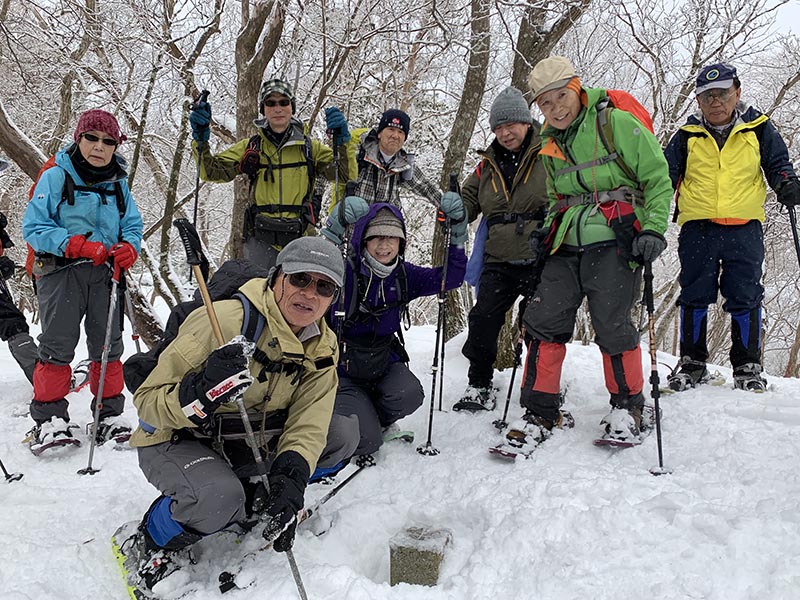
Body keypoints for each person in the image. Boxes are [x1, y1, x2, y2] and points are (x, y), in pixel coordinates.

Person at [113, 236, 343, 596]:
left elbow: (309, 421)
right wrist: (199, 393)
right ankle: (148, 538)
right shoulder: (223, 321)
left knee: (341, 435)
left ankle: (252, 494)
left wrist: (292, 476)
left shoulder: (324, 345)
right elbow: (148, 402)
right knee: (218, 498)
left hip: (244, 439)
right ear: (277, 278)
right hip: (179, 437)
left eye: (324, 286)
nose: (310, 293)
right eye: (300, 278)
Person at [517, 56, 672, 446]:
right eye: (545, 104)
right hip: (565, 241)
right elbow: (555, 196)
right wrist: (547, 227)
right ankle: (540, 410)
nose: (556, 109)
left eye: (561, 97)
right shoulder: (548, 143)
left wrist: (653, 227)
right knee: (543, 321)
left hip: (615, 236)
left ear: (577, 87)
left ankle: (628, 406)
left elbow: (657, 178)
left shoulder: (615, 123)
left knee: (611, 322)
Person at [665, 63, 800, 393]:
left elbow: (778, 164)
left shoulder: (759, 129)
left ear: (737, 93)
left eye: (722, 93)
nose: (715, 102)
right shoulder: (686, 136)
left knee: (745, 294)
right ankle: (692, 362)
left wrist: (787, 183)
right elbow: (663, 177)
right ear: (698, 101)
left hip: (744, 228)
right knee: (695, 293)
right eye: (707, 96)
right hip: (699, 227)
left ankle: (747, 365)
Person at [315, 200, 467, 475]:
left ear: (401, 242)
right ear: (364, 239)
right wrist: (333, 229)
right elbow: (316, 265)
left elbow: (450, 279)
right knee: (369, 441)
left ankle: (370, 416)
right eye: (377, 237)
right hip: (343, 372)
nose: (384, 245)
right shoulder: (345, 272)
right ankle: (361, 419)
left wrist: (457, 236)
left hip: (383, 362)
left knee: (410, 395)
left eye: (392, 238)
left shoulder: (404, 276)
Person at [22, 109, 143, 453]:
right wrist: (74, 245)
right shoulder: (56, 176)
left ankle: (108, 416)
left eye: (108, 141)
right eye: (91, 138)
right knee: (58, 345)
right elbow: (34, 227)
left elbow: (132, 225)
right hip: (61, 271)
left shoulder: (118, 183)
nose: (99, 146)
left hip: (105, 273)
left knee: (108, 345)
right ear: (79, 138)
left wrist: (129, 248)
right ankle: (50, 420)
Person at [189, 78, 357, 268]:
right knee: (258, 295)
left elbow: (345, 174)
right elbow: (211, 171)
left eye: (283, 102)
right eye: (271, 103)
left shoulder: (309, 148)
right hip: (260, 242)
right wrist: (201, 139)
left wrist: (343, 142)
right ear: (263, 109)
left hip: (300, 239)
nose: (278, 108)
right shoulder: (252, 147)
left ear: (291, 107)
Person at [452, 86, 549, 412]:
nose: (506, 133)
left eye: (512, 125)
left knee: (538, 322)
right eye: (498, 127)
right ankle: (478, 384)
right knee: (483, 319)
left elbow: (567, 193)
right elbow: (467, 200)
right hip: (499, 258)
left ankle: (539, 386)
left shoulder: (548, 154)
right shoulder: (486, 166)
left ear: (526, 123)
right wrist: (454, 211)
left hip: (541, 255)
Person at [333, 108, 442, 211]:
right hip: (355, 225)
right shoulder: (359, 153)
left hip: (387, 225)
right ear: (379, 133)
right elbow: (331, 169)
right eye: (391, 129)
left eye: (400, 132)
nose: (395, 136)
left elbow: (426, 187)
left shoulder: (404, 164)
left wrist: (448, 206)